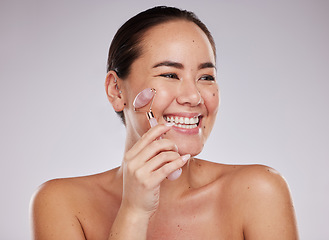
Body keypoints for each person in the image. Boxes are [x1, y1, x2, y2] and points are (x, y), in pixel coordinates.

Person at [30, 6, 299, 240]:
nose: (194, 97)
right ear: (116, 90)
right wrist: (133, 212)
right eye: (170, 74)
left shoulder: (259, 191)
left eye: (206, 77)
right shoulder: (61, 203)